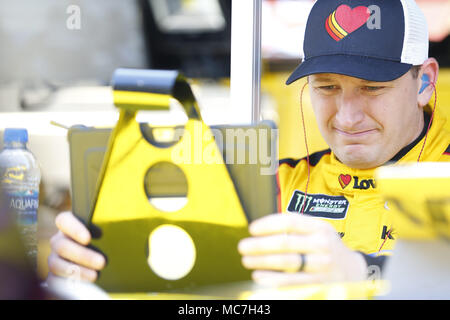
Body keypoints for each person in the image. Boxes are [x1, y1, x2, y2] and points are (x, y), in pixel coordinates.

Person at [47, 0, 450, 286]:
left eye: (371, 88)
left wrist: (362, 271)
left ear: (426, 82)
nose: (346, 116)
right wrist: (90, 260)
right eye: (326, 87)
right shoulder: (274, 183)